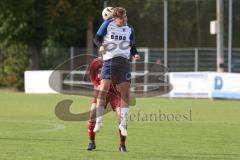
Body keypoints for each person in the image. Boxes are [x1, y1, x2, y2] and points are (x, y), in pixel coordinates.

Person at [93, 7, 140, 151]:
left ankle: (123, 123)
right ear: (115, 18)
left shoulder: (129, 28)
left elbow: (132, 46)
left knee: (125, 94)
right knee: (103, 90)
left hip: (124, 63)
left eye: (126, 17)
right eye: (122, 19)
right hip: (109, 61)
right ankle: (99, 120)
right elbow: (96, 38)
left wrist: (135, 54)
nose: (125, 20)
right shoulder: (108, 24)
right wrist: (100, 46)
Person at [87, 58, 127, 152]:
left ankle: (122, 145)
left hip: (115, 94)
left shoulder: (118, 61)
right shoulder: (96, 63)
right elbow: (92, 76)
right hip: (101, 92)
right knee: (92, 115)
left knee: (122, 117)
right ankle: (91, 142)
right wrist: (97, 85)